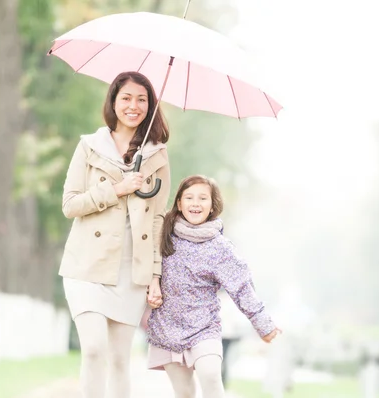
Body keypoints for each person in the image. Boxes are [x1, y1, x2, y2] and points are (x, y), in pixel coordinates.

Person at [58, 71, 170, 398]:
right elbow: (70, 204)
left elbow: (157, 220)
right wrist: (118, 189)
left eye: (141, 99)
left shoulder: (157, 156)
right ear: (113, 101)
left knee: (120, 359)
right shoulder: (89, 146)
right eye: (126, 98)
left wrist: (154, 275)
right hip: (87, 266)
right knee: (94, 350)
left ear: (150, 106)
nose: (133, 106)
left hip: (129, 271)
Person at [146, 175, 281, 398]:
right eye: (189, 197)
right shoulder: (164, 236)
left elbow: (241, 287)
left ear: (212, 205)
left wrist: (263, 325)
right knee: (184, 393)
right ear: (179, 203)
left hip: (204, 328)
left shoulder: (220, 247)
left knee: (210, 375)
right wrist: (150, 288)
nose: (195, 203)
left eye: (202, 198)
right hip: (167, 327)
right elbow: (146, 267)